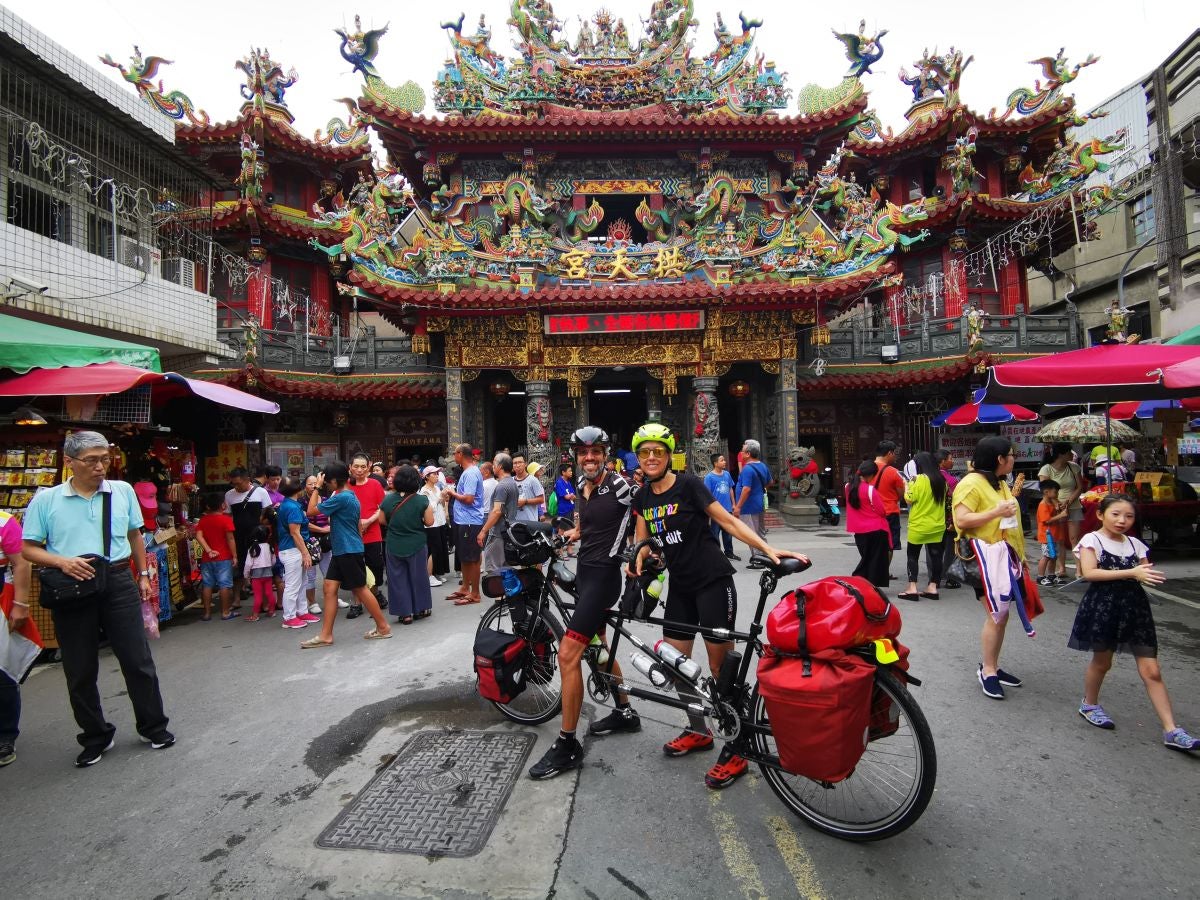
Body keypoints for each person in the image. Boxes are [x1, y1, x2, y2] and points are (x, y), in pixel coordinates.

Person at [627, 423, 807, 790]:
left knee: (719, 668)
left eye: (658, 451)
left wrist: (767, 549)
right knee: (676, 665)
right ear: (638, 458)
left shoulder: (689, 485)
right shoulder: (642, 497)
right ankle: (699, 732)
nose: (651, 457)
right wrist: (640, 557)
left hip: (713, 581)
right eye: (644, 452)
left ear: (668, 456)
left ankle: (739, 750)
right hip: (680, 587)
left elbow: (726, 520)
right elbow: (642, 540)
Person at [21, 431, 173, 766]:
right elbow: (28, 548)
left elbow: (135, 535)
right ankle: (95, 735)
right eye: (91, 460)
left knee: (137, 659)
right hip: (71, 584)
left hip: (117, 578)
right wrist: (62, 562)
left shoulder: (122, 491)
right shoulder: (47, 500)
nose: (100, 466)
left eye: (105, 459)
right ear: (69, 462)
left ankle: (153, 725)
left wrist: (143, 575)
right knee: (79, 667)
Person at [528, 427, 641, 781]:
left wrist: (639, 551)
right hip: (585, 572)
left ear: (606, 455)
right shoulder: (580, 486)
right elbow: (588, 524)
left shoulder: (622, 486)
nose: (589, 458)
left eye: (595, 453)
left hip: (605, 578)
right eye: (583, 453)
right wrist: (571, 534)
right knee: (599, 647)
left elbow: (645, 513)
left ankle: (567, 744)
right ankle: (625, 712)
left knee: (568, 654)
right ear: (576, 457)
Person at [1070, 494, 1198, 751]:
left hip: (1135, 609)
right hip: (1103, 607)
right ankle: (1090, 704)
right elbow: (1090, 573)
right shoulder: (1091, 540)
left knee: (1152, 670)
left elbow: (1144, 573)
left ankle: (1171, 730)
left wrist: (1148, 576)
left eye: (1129, 516)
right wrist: (1133, 572)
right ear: (1100, 515)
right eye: (1116, 514)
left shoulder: (1136, 544)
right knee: (1102, 662)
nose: (1122, 520)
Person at [953, 436, 1028, 700]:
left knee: (1002, 615)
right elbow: (962, 519)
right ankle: (987, 670)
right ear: (1000, 459)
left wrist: (1020, 557)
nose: (1014, 458)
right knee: (996, 615)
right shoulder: (971, 483)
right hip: (985, 561)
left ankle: (993, 665)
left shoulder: (1000, 482)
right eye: (1011, 454)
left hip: (1006, 558)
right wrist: (996, 512)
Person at [300, 461, 392, 647]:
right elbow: (357, 523)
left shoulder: (341, 497)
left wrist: (316, 488)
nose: (326, 485)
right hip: (345, 549)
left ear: (334, 481)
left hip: (347, 550)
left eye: (327, 482)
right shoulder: (349, 495)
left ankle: (383, 627)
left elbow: (310, 511)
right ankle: (326, 635)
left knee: (360, 589)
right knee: (329, 588)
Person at [381, 465, 434, 624]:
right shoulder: (422, 500)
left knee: (397, 578)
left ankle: (405, 614)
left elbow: (381, 520)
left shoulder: (388, 499)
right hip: (416, 543)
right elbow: (429, 522)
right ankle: (420, 609)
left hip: (394, 543)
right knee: (419, 577)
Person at [0, 509, 32, 767]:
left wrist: (20, 604)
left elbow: (21, 562)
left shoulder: (4, 521)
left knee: (3, 670)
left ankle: (5, 734)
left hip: (1, 602)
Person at [899, 451, 947, 601]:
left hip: (918, 526)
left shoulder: (918, 479)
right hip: (937, 526)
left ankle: (912, 588)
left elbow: (909, 499)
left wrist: (906, 485)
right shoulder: (941, 480)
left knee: (913, 556)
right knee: (936, 556)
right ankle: (933, 587)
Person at [224, 467, 273, 612]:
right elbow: (228, 516)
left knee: (260, 568)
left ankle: (264, 602)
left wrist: (265, 531)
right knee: (239, 567)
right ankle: (237, 599)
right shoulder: (229, 495)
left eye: (238, 483)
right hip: (238, 536)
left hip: (258, 536)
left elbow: (267, 512)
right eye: (233, 484)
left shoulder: (261, 492)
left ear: (247, 480)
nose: (236, 487)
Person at [443, 443, 485, 604]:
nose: (454, 456)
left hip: (470, 521)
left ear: (460, 454)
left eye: (455, 453)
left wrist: (452, 493)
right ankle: (465, 587)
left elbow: (468, 499)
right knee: (464, 556)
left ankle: (475, 593)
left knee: (472, 558)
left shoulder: (471, 473)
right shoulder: (468, 471)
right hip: (464, 520)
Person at [347, 453, 386, 620]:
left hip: (373, 533)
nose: (359, 470)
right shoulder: (345, 486)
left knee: (375, 566)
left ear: (368, 467)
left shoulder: (375, 484)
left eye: (363, 466)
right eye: (356, 466)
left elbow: (382, 508)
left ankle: (375, 593)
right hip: (352, 535)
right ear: (350, 467)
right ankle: (356, 603)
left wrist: (368, 521)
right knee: (355, 569)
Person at [276, 477, 316, 629]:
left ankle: (301, 611)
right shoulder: (292, 507)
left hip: (292, 549)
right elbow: (295, 533)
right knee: (293, 585)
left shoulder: (288, 504)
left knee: (301, 583)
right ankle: (289, 617)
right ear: (299, 489)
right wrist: (305, 554)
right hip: (293, 549)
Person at [846, 460, 890, 590]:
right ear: (871, 475)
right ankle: (859, 580)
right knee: (875, 559)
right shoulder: (870, 489)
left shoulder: (848, 487)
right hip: (876, 529)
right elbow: (881, 511)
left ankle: (864, 583)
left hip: (859, 530)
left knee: (867, 557)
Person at [194, 492, 236, 621]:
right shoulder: (226, 519)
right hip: (224, 557)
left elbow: (198, 536)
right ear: (223, 505)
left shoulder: (203, 520)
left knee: (207, 585)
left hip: (207, 558)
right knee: (224, 584)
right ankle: (225, 612)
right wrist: (234, 555)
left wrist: (209, 550)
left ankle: (207, 613)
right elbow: (230, 539)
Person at [478, 453, 519, 578]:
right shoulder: (512, 483)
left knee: (495, 572)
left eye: (494, 463)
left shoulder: (502, 486)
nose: (493, 466)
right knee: (504, 569)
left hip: (498, 533)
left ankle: (501, 591)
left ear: (500, 466)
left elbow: (497, 511)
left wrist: (483, 531)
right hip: (507, 532)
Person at [1039, 443, 1085, 549]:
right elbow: (1046, 491)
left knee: (1074, 539)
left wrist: (1068, 501)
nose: (1072, 455)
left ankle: (1077, 560)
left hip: (1074, 506)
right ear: (1061, 454)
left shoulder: (1074, 467)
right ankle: (1060, 561)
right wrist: (1057, 503)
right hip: (1055, 508)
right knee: (1059, 540)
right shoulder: (1046, 469)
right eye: (1069, 452)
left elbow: (1079, 487)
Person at [304, 475, 337, 615]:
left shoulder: (325, 500)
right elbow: (304, 522)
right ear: (305, 486)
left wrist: (330, 526)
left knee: (329, 572)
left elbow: (330, 517)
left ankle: (333, 598)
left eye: (315, 483)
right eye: (310, 484)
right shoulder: (302, 502)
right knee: (310, 575)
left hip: (325, 541)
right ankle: (312, 602)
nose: (313, 486)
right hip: (310, 542)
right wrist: (322, 530)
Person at [872, 441, 906, 575]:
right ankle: (883, 572)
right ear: (890, 453)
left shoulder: (864, 469)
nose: (895, 456)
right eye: (895, 453)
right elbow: (901, 494)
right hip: (889, 512)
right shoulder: (894, 472)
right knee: (889, 545)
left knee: (873, 544)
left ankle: (873, 570)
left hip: (871, 513)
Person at [733, 439, 771, 546]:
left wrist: (738, 507)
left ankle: (758, 556)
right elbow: (770, 482)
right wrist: (758, 490)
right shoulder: (763, 465)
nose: (741, 453)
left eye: (742, 451)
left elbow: (746, 489)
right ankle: (764, 554)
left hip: (748, 507)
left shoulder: (747, 469)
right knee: (760, 533)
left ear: (748, 454)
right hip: (759, 504)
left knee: (751, 535)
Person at [703, 453, 740, 561]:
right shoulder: (709, 477)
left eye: (724, 460)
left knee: (728, 533)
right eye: (722, 460)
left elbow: (730, 489)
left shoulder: (727, 474)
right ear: (715, 463)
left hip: (727, 509)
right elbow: (707, 494)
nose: (725, 462)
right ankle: (716, 554)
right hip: (716, 511)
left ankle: (729, 552)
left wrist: (733, 504)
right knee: (715, 533)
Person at [419, 466, 450, 587]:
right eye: (434, 474)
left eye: (437, 473)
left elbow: (441, 503)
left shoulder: (437, 488)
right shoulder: (424, 491)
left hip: (440, 522)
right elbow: (428, 507)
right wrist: (440, 498)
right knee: (432, 550)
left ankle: (437, 573)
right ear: (426, 477)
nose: (437, 476)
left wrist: (445, 498)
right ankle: (429, 575)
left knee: (441, 548)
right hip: (431, 524)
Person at [936, 451, 962, 589]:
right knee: (951, 549)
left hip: (934, 519)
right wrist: (952, 520)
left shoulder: (930, 477)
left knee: (935, 549)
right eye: (951, 459)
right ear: (942, 461)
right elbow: (954, 500)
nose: (953, 461)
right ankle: (950, 577)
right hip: (948, 518)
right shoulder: (949, 479)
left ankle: (935, 578)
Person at [1036, 481, 1069, 585]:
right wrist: (1061, 515)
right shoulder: (1043, 505)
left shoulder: (1052, 503)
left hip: (1053, 535)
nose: (1057, 494)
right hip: (1047, 536)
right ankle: (1040, 576)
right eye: (1055, 492)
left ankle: (1051, 575)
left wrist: (1058, 509)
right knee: (1046, 556)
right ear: (1047, 492)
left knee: (1053, 556)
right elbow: (1046, 520)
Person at [242, 524, 277, 622]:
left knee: (258, 595)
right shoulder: (270, 547)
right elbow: (273, 561)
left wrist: (246, 575)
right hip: (268, 573)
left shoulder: (253, 548)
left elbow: (248, 564)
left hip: (256, 575)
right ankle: (271, 611)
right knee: (269, 593)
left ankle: (255, 615)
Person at [512, 452, 545, 523]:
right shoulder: (510, 481)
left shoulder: (533, 480)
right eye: (515, 463)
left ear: (525, 464)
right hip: (514, 522)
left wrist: (525, 501)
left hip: (530, 522)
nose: (517, 465)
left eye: (520, 462)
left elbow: (541, 499)